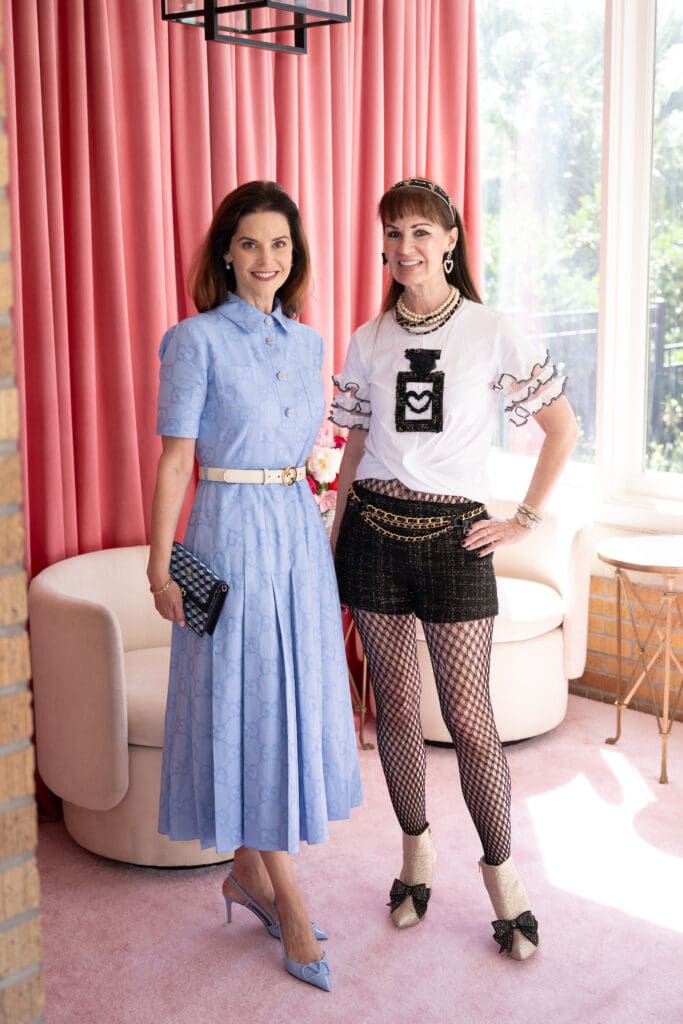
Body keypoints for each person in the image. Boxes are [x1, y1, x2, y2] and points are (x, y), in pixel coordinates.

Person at [329, 177, 578, 960]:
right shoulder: (367, 339)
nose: (406, 247)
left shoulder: (490, 330)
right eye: (393, 233)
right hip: (371, 531)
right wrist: (333, 530)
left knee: (471, 721)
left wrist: (522, 520)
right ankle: (414, 857)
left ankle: (503, 882)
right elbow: (357, 447)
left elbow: (561, 427)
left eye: (420, 232)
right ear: (383, 246)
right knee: (395, 710)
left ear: (449, 240)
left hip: (455, 542)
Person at [147, 180, 362, 992]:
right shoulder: (193, 341)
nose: (265, 259)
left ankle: (247, 874)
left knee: (285, 700)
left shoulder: (309, 346)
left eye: (279, 244)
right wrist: (159, 557)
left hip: (295, 530)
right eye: (249, 244)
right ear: (225, 254)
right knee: (245, 702)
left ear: (292, 256)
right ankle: (292, 905)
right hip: (225, 532)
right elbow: (175, 460)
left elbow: (316, 447)